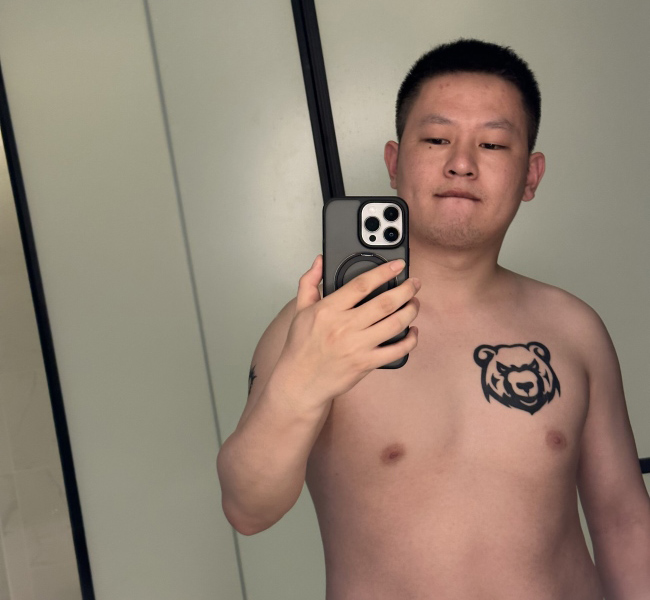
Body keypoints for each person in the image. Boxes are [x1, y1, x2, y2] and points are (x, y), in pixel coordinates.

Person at [217, 39, 650, 599]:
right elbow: (247, 508)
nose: (461, 163)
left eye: (492, 143)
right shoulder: (322, 324)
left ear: (531, 175)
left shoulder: (574, 329)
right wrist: (300, 385)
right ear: (394, 162)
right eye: (437, 139)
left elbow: (623, 520)